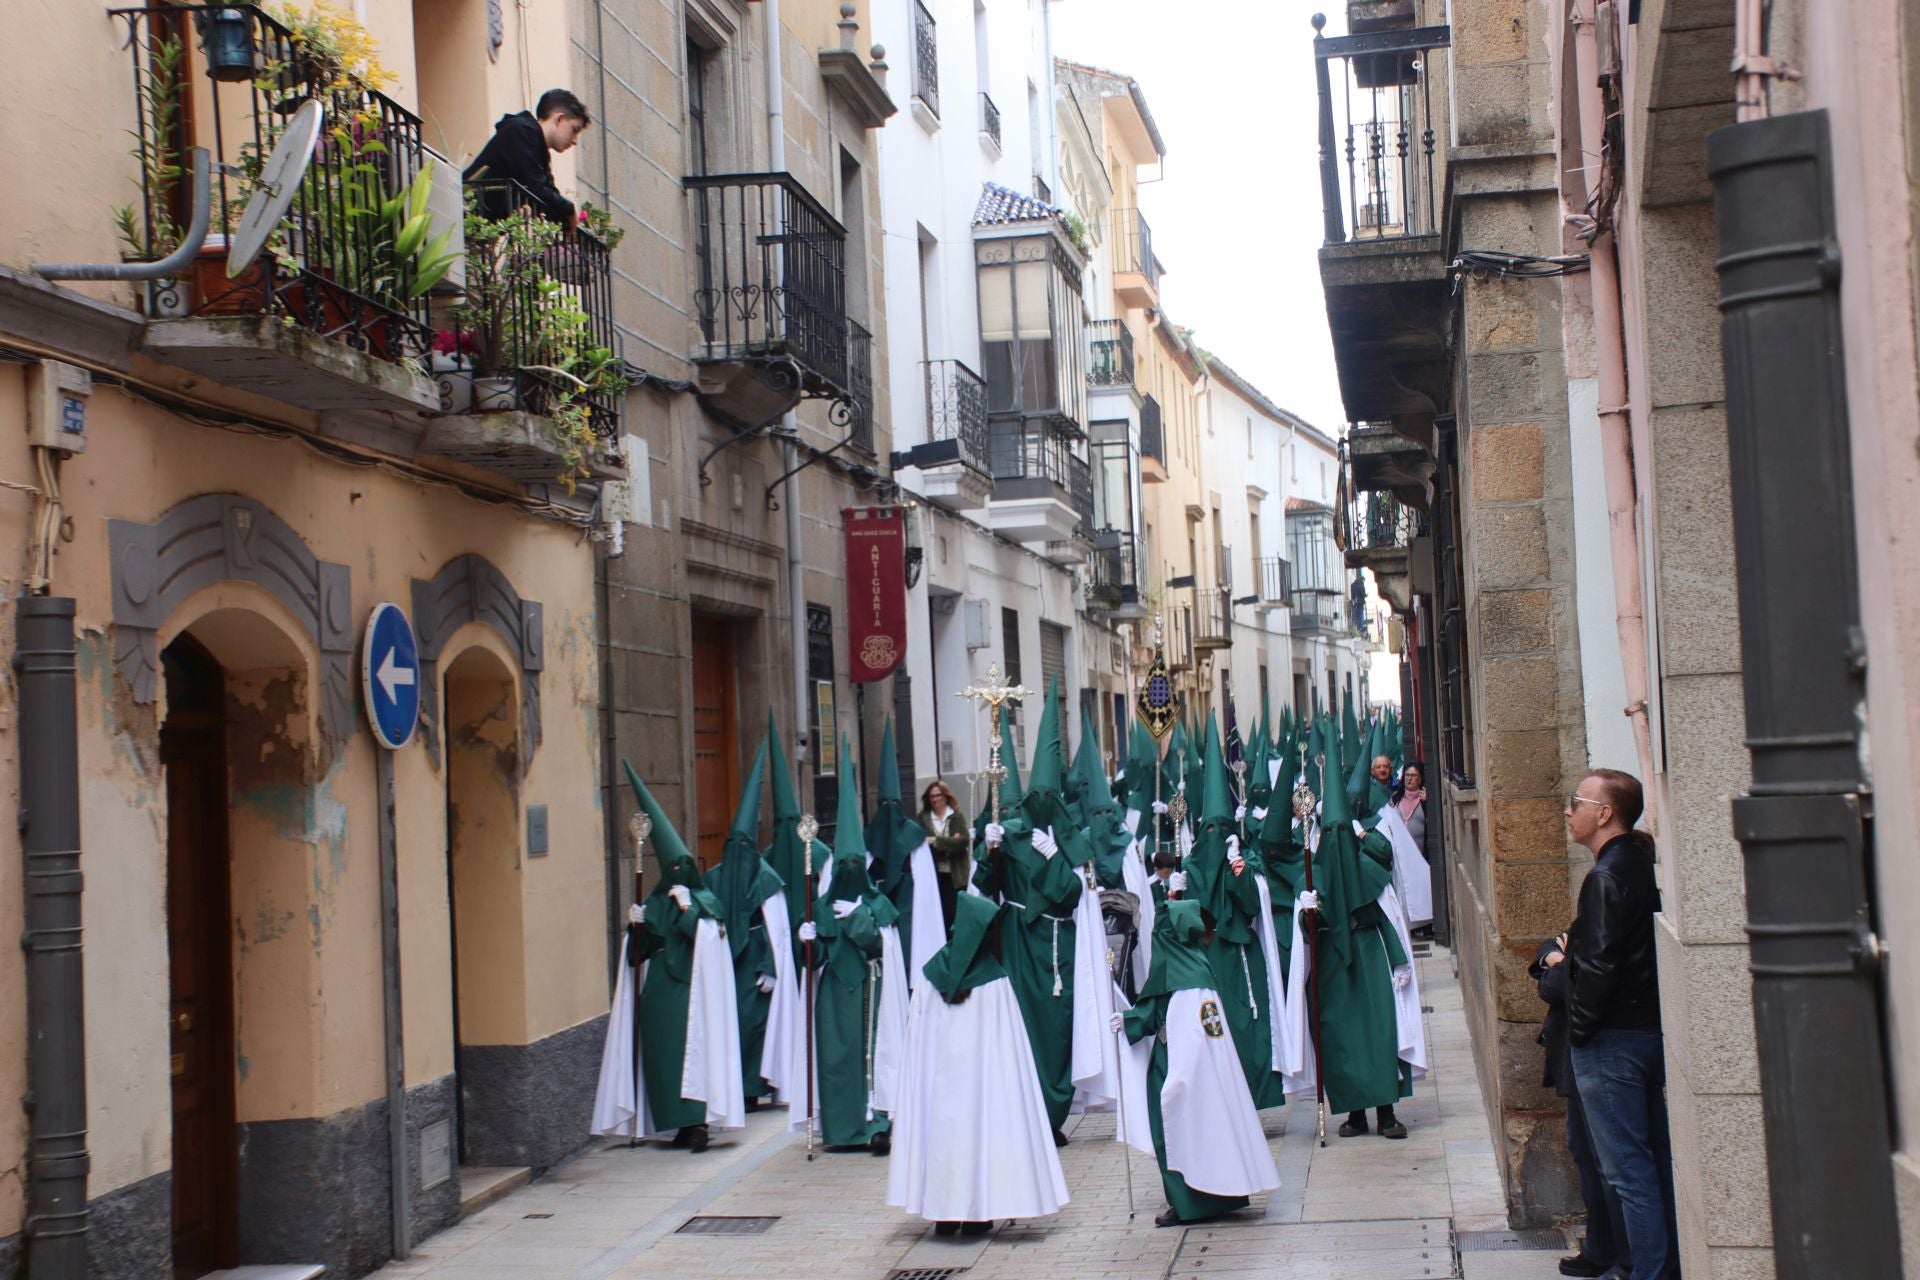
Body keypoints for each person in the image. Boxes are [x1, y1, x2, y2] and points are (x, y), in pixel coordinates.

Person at [887, 895, 1069, 1236]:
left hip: (938, 1087)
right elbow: (1008, 1047)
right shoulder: (995, 982)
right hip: (982, 1085)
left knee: (941, 1142)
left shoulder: (928, 979)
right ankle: (976, 1214)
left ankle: (943, 1215)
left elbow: (917, 1041)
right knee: (980, 1139)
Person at [589, 762, 745, 1152]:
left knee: (696, 1055)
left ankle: (698, 1123)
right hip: (660, 991)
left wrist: (689, 908)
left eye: (684, 867)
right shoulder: (656, 901)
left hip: (695, 993)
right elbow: (638, 956)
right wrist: (635, 928)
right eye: (673, 868)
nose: (679, 872)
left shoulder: (705, 899)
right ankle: (675, 1123)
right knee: (665, 1059)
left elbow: (708, 939)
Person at [1565, 769, 1677, 1280]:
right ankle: (1662, 1266)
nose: (1568, 811)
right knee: (1649, 1165)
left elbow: (1599, 964)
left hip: (1613, 1039)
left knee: (1628, 1172)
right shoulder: (1635, 861)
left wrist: (1581, 1030)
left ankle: (1650, 1271)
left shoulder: (1607, 876)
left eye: (1576, 802)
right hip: (1641, 1030)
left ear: (1604, 813)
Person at [1117, 899, 1280, 1227]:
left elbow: (1185, 1032)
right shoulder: (1193, 969)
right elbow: (1156, 1009)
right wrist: (1127, 1020)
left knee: (1177, 1130)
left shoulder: (1186, 981)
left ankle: (1189, 1204)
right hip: (1195, 1069)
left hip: (1180, 1069)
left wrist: (1177, 1080)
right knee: (1210, 1130)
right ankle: (1216, 1197)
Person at [975, 687, 1086, 1145]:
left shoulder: (1071, 840)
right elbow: (986, 887)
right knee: (1019, 1026)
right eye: (1033, 795)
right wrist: (989, 851)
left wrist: (1056, 857)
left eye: (1047, 795)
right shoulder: (1013, 838)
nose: (1039, 802)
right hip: (1018, 944)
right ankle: (1024, 1114)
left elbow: (1073, 895)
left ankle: (1053, 1112)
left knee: (1056, 1029)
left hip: (1057, 949)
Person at [790, 739, 909, 1154]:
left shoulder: (877, 904)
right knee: (837, 1060)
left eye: (855, 864)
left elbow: (881, 947)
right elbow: (816, 961)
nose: (849, 871)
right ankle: (841, 1128)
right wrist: (807, 941)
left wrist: (859, 917)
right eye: (843, 865)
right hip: (834, 998)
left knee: (876, 1057)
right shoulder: (822, 906)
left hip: (874, 994)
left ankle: (878, 1123)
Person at [706, 736, 802, 1110]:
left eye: (744, 845)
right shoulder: (715, 876)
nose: (739, 853)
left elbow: (777, 930)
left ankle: (751, 1088)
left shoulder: (765, 878)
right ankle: (730, 1087)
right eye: (734, 844)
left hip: (754, 963)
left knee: (752, 1025)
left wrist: (771, 968)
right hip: (724, 961)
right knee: (726, 1025)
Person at [1533, 927, 1628, 1279]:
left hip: (1597, 1051)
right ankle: (1600, 1248)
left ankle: (1624, 1258)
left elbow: (1558, 985)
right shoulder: (1590, 915)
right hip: (1574, 1057)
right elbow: (1550, 944)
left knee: (1607, 1163)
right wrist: (1555, 956)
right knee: (1584, 1153)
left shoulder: (1609, 914)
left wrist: (1558, 963)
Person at [866, 716, 947, 985]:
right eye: (884, 805)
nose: (888, 811)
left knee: (909, 951)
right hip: (881, 902)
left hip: (909, 902)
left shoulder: (913, 834)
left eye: (893, 804)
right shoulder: (872, 834)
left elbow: (926, 883)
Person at [463, 88, 590, 223]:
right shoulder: (522, 131)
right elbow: (538, 188)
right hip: (466, 216)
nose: (575, 141)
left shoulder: (536, 148)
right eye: (574, 130)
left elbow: (546, 195)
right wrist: (569, 209)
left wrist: (565, 215)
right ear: (559, 119)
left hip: (482, 224)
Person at [915, 780, 970, 926]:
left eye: (938, 795)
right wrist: (950, 841)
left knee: (955, 913)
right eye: (931, 796)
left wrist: (936, 841)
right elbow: (920, 842)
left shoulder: (956, 816)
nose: (935, 799)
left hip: (956, 875)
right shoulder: (923, 818)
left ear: (945, 796)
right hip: (934, 874)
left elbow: (963, 841)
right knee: (939, 914)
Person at [1393, 761, 1429, 852]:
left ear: (1421, 778)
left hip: (1420, 853)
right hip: (1399, 852)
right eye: (1407, 775)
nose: (1409, 778)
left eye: (1413, 775)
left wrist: (1427, 802)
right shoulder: (1395, 798)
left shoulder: (1425, 799)